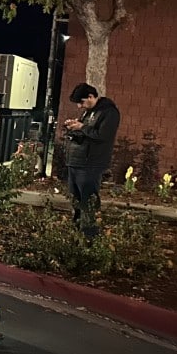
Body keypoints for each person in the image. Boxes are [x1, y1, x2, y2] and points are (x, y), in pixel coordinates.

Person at [63, 82, 121, 240]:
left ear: (90, 96)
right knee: (75, 198)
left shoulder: (109, 112)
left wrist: (82, 127)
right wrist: (73, 128)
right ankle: (77, 230)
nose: (79, 106)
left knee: (88, 199)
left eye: (81, 102)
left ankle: (89, 235)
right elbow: (85, 134)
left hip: (91, 163)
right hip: (76, 161)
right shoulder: (88, 112)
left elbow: (103, 136)